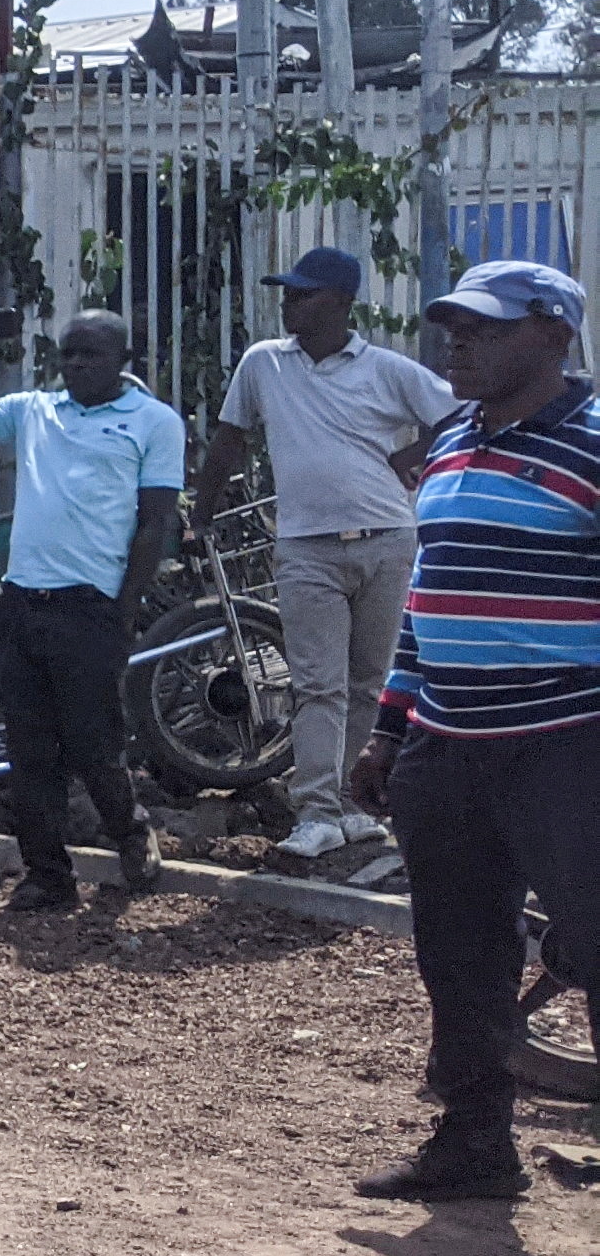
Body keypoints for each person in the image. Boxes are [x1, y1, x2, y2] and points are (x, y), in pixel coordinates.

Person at [347, 261, 599, 1202]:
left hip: (567, 742)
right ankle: (474, 1144)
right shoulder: (454, 438)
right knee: (458, 955)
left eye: (485, 327)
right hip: (447, 745)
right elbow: (427, 596)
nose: (457, 340)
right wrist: (388, 729)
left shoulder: (592, 442)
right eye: (454, 324)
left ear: (553, 335)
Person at [194, 245, 458, 864]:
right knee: (318, 685)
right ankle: (315, 811)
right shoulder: (264, 363)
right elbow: (230, 437)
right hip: (306, 547)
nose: (289, 304)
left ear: (341, 302)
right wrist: (199, 513)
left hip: (387, 539)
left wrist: (412, 455)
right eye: (287, 293)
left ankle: (350, 804)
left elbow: (460, 413)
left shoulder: (385, 369)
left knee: (369, 683)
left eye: (303, 294)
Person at [0, 307, 180, 911]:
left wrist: (124, 608)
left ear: (124, 361)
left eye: (91, 354)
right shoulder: (34, 410)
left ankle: (129, 831)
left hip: (90, 605)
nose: (77, 365)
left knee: (94, 743)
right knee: (29, 749)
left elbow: (154, 523)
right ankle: (46, 874)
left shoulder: (154, 422)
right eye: (69, 354)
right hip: (22, 603)